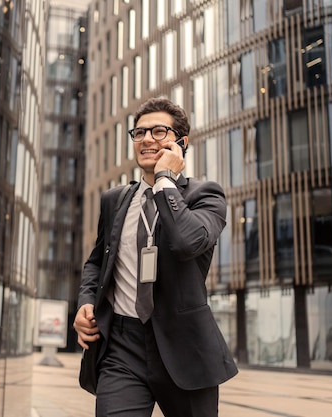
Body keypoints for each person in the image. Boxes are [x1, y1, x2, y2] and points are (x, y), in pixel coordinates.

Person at [73, 97, 238, 417]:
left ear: (181, 143)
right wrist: (86, 300)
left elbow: (187, 242)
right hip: (121, 347)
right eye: (140, 133)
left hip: (185, 348)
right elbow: (97, 262)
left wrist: (165, 180)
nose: (147, 139)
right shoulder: (114, 200)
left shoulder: (205, 196)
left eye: (159, 131)